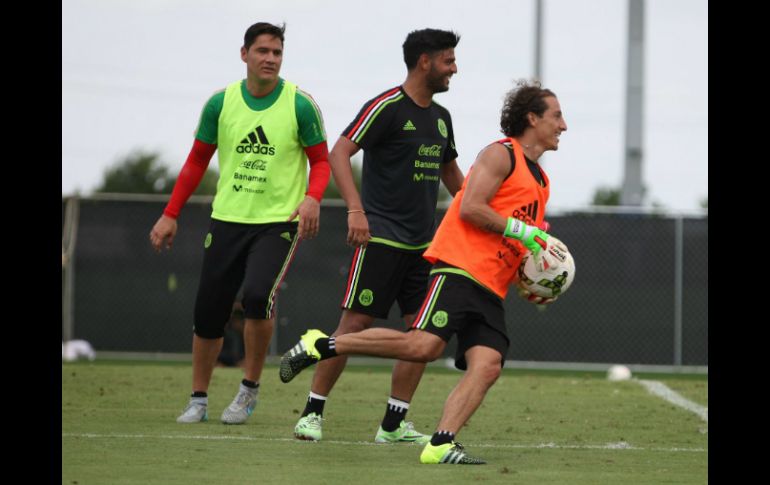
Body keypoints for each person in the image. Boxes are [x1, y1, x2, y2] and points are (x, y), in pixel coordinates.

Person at [280, 80, 570, 464]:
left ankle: (441, 444)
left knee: (488, 364)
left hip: (492, 286)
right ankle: (323, 345)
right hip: (461, 269)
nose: (563, 125)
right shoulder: (502, 155)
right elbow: (470, 207)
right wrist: (525, 232)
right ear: (532, 118)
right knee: (423, 346)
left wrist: (530, 271)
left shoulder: (541, 181)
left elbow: (514, 232)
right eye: (557, 116)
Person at [149, 22, 331, 424]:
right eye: (263, 51)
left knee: (255, 295)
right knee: (209, 309)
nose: (270, 59)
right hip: (227, 219)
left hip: (277, 223)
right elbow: (197, 160)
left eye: (277, 52)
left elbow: (321, 161)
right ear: (244, 53)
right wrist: (170, 213)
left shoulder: (300, 104)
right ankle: (198, 398)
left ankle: (248, 390)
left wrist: (312, 199)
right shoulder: (221, 103)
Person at [289, 28, 465, 444]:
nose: (454, 69)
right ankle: (311, 413)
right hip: (382, 237)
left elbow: (453, 177)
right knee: (355, 323)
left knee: (422, 336)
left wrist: (485, 214)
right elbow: (338, 152)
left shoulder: (442, 119)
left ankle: (393, 424)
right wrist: (356, 210)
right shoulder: (386, 106)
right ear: (425, 61)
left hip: (424, 247)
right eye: (448, 60)